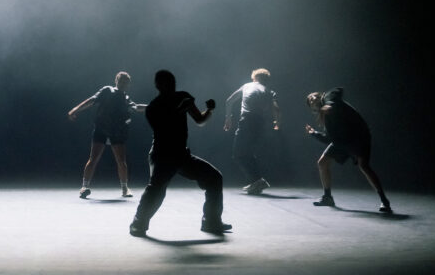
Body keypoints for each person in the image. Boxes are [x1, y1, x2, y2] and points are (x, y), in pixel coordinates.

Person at [130, 70, 231, 237]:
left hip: (182, 156)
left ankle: (211, 222)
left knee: (214, 177)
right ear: (158, 86)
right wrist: (179, 110)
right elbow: (162, 128)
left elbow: (199, 120)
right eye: (167, 83)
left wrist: (209, 110)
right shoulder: (153, 108)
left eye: (172, 82)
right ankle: (138, 223)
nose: (171, 86)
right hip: (161, 155)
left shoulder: (183, 97)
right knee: (156, 190)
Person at [305, 88, 392, 213]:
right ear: (312, 108)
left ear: (319, 96)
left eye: (313, 97)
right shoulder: (326, 118)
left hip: (358, 137)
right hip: (342, 141)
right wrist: (314, 133)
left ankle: (384, 201)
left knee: (364, 166)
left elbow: (338, 90)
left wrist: (329, 105)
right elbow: (330, 138)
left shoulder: (329, 96)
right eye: (310, 101)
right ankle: (327, 197)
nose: (312, 99)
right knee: (322, 163)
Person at [68, 71, 147, 198]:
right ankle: (84, 187)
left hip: (117, 132)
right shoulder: (107, 90)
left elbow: (137, 108)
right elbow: (92, 100)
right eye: (121, 81)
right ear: (116, 81)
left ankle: (125, 189)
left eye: (126, 82)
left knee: (121, 161)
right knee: (93, 158)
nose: (123, 84)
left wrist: (154, 106)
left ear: (128, 84)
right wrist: (75, 109)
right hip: (101, 129)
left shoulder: (126, 98)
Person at [223, 68, 280, 194]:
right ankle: (256, 181)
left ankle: (258, 180)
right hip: (260, 123)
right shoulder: (269, 91)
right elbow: (276, 108)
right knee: (248, 153)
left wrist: (228, 118)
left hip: (247, 121)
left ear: (254, 77)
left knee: (238, 153)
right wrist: (276, 122)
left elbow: (229, 101)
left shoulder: (247, 85)